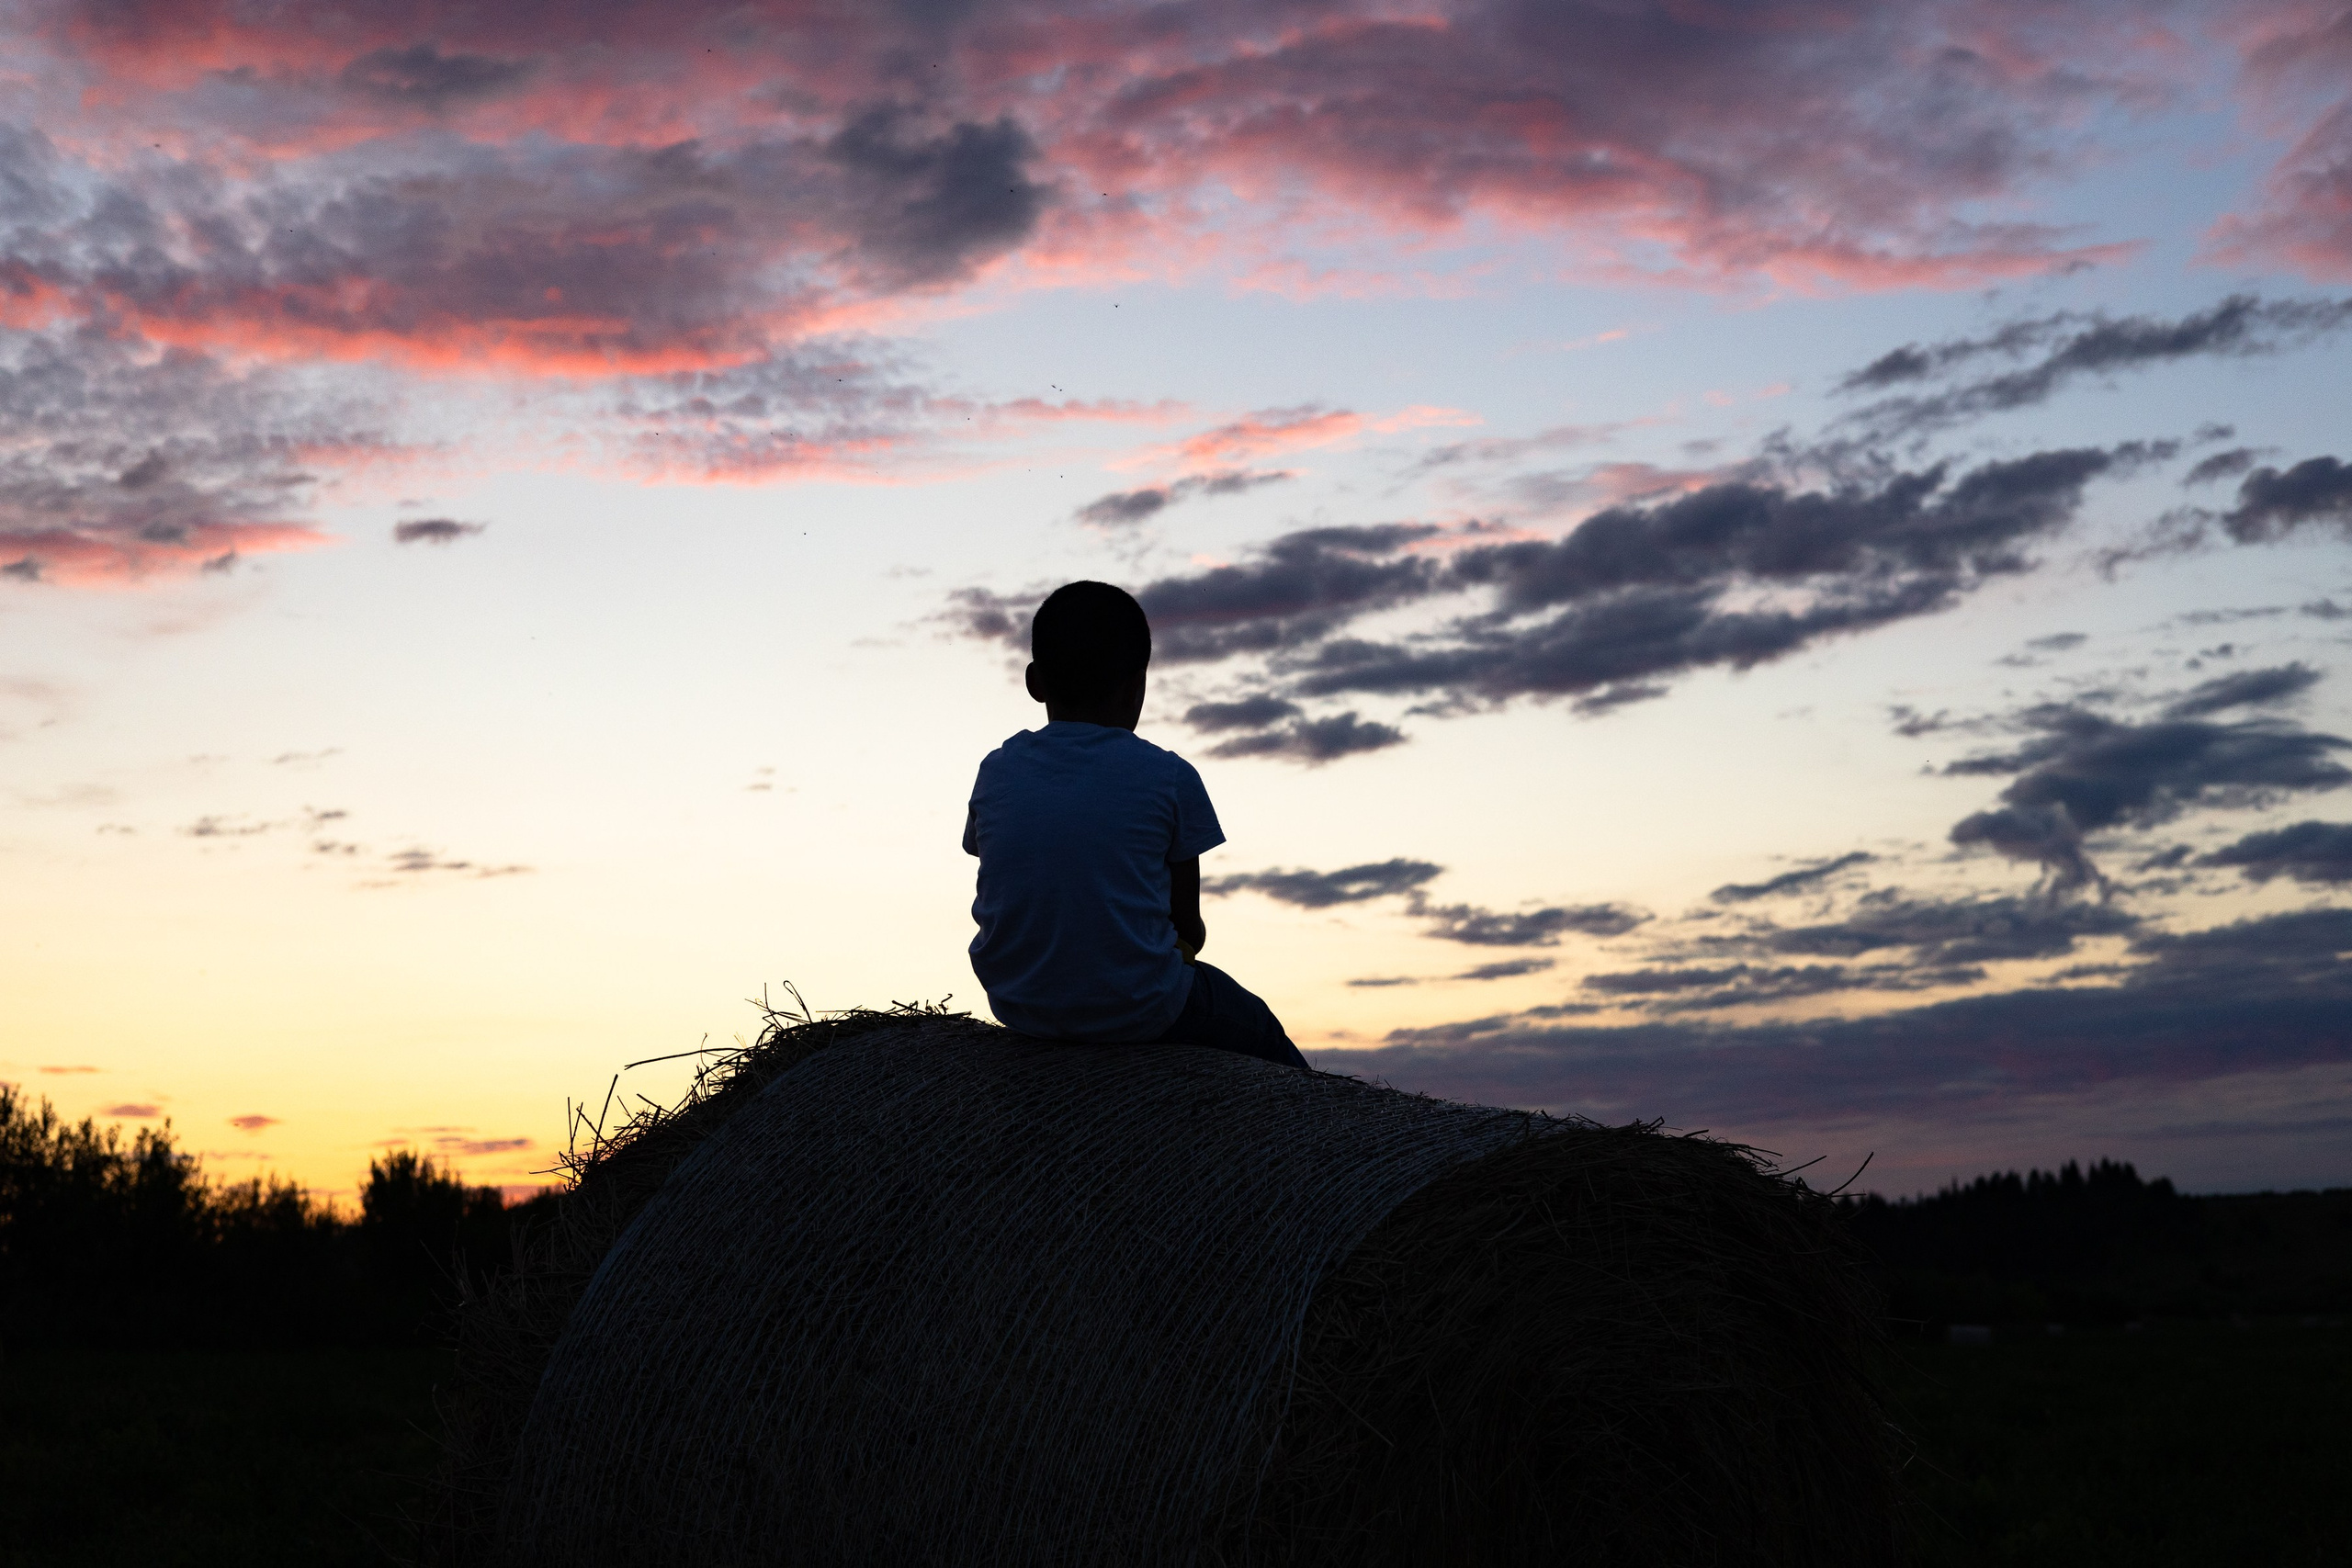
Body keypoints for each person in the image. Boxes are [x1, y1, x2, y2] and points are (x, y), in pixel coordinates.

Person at [962, 581, 1308, 1070]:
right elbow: (1187, 924)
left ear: (1035, 682)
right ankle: (1339, 1131)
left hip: (1020, 1005)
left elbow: (1003, 868)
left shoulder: (997, 769)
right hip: (1141, 1007)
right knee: (1260, 1029)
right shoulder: (1169, 776)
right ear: (1136, 686)